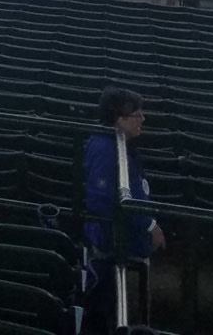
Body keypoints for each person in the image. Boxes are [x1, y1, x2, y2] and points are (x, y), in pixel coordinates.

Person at [82, 87, 162, 335]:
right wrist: (150, 226)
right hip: (112, 239)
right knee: (101, 301)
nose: (143, 119)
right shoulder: (107, 149)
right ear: (119, 119)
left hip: (110, 232)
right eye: (136, 115)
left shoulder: (105, 141)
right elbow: (102, 199)